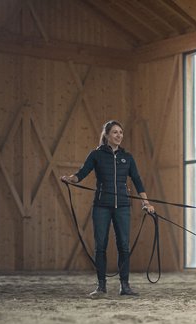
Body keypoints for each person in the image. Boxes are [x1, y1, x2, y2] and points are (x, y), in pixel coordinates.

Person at [61, 120, 155, 298]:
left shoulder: (127, 157)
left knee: (124, 247)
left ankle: (125, 286)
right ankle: (101, 286)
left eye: (121, 132)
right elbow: (81, 173)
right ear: (106, 135)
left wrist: (146, 203)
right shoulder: (96, 155)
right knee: (100, 246)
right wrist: (70, 178)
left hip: (123, 207)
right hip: (101, 206)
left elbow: (137, 180)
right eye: (115, 132)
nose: (119, 135)